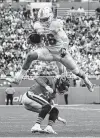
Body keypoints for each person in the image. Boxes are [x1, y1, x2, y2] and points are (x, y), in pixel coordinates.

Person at [12, 6, 94, 92]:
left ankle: (86, 80)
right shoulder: (37, 25)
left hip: (60, 53)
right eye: (42, 19)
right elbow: (38, 37)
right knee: (30, 56)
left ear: (50, 17)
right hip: (48, 51)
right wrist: (31, 39)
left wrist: (64, 48)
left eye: (45, 19)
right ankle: (19, 78)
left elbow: (65, 39)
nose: (43, 21)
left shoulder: (55, 24)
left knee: (77, 72)